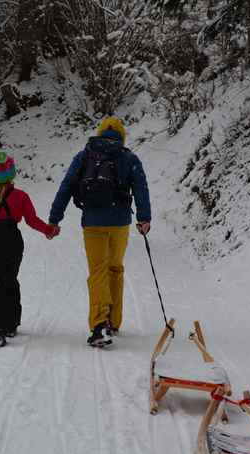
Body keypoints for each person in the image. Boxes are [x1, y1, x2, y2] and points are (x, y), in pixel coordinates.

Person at [48, 117, 151, 347]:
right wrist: (144, 218)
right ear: (121, 136)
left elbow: (66, 186)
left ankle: (99, 324)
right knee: (115, 268)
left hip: (92, 221)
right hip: (120, 223)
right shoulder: (129, 158)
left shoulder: (85, 155)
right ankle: (113, 321)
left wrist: (55, 218)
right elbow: (141, 188)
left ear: (100, 133)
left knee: (98, 271)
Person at [0, 151, 60, 348]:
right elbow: (32, 220)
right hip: (12, 241)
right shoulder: (20, 197)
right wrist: (49, 230)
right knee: (9, 281)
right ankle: (10, 324)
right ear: (12, 174)